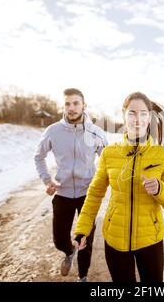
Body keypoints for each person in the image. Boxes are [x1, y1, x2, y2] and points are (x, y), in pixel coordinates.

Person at [73, 91, 164, 282]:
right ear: (124, 115)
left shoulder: (163, 156)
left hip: (151, 240)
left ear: (149, 117)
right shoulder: (110, 153)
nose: (137, 119)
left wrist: (160, 189)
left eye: (143, 114)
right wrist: (82, 229)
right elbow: (94, 193)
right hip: (115, 240)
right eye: (132, 113)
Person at [34, 88, 108, 282]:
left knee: (86, 240)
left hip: (88, 194)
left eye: (76, 103)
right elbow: (38, 157)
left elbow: (108, 161)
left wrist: (100, 183)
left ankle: (83, 276)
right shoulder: (53, 131)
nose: (72, 108)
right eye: (68, 103)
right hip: (62, 192)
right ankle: (68, 251)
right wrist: (47, 180)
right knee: (59, 240)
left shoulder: (95, 132)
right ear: (64, 106)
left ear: (84, 105)